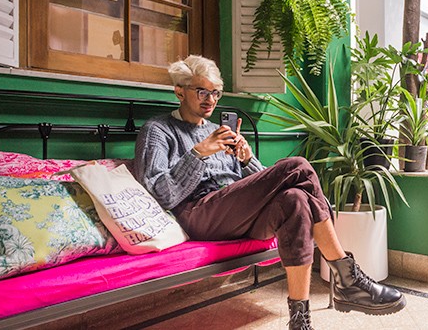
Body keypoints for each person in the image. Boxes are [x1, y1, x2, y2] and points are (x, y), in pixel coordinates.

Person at [133, 55, 405, 329]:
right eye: (202, 91)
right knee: (298, 166)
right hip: (200, 215)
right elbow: (159, 193)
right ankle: (347, 276)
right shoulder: (158, 131)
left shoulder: (220, 131)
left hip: (237, 213)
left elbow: (264, 186)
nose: (211, 100)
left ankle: (300, 320)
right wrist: (199, 152)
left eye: (216, 92)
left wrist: (246, 158)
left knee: (295, 200)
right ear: (179, 90)